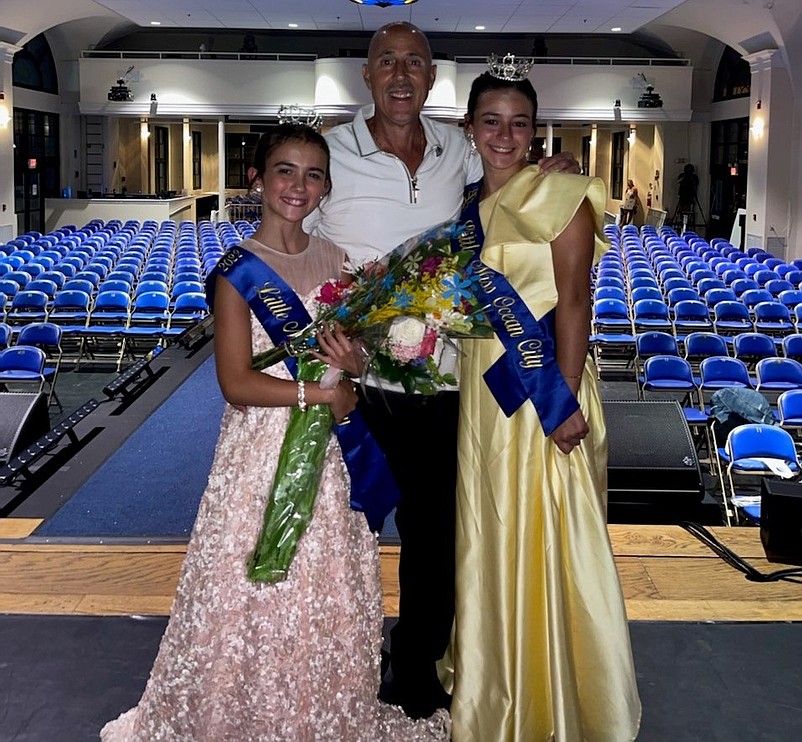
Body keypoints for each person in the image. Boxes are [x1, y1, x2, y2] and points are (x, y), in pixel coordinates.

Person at [100, 124, 449, 741]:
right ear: (258, 179)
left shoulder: (338, 261)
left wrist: (356, 363)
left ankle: (323, 709)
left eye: (315, 174)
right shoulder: (237, 273)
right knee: (253, 586)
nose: (300, 185)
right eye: (286, 170)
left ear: (326, 187)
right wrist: (321, 392)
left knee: (328, 581)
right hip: (259, 455)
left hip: (331, 454)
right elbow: (235, 382)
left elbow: (358, 358)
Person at [305, 21, 581, 720]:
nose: (401, 75)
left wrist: (550, 164)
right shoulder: (330, 153)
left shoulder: (460, 147)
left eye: (416, 64)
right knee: (339, 526)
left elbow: (508, 164)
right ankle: (332, 652)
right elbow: (295, 241)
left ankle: (417, 661)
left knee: (434, 535)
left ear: (433, 80)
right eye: (387, 62)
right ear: (365, 74)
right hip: (352, 380)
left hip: (445, 384)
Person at [448, 72, 642, 741]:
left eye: (520, 122)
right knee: (490, 531)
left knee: (547, 532)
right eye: (492, 121)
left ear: (538, 130)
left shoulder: (563, 192)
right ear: (470, 128)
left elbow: (576, 302)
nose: (505, 135)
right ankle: (493, 678)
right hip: (483, 388)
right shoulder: (465, 205)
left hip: (543, 389)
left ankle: (556, 695)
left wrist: (556, 399)